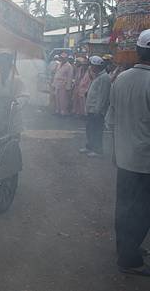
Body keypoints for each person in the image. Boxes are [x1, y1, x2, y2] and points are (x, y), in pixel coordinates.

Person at [106, 29, 150, 276]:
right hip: (145, 161)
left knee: (124, 207)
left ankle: (125, 248)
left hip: (123, 157)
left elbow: (111, 119)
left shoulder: (120, 79)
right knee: (142, 210)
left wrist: (114, 149)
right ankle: (130, 259)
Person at [0, 51, 29, 137]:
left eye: (4, 64)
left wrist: (16, 102)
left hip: (12, 116)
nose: (2, 67)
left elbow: (25, 96)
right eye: (0, 64)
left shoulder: (17, 80)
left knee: (11, 143)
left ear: (10, 66)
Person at [79, 56, 111, 158]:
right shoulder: (97, 76)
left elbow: (103, 96)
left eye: (92, 65)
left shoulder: (104, 78)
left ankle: (97, 150)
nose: (91, 67)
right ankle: (90, 146)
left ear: (96, 66)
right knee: (90, 129)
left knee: (96, 130)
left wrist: (98, 110)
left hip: (96, 110)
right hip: (91, 109)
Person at [52, 52, 74, 116]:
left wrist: (68, 87)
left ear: (66, 58)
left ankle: (63, 112)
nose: (62, 59)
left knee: (63, 99)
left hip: (63, 85)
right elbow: (56, 74)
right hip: (57, 84)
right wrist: (54, 84)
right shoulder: (59, 64)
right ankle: (57, 110)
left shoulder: (69, 66)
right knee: (57, 98)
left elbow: (70, 77)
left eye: (64, 58)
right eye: (61, 58)